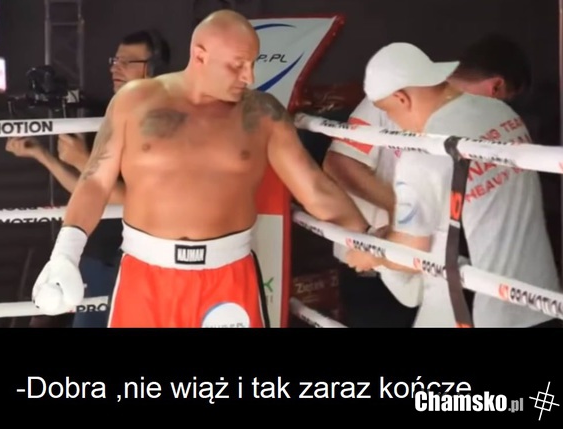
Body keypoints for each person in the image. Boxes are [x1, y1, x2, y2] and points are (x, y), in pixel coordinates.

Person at [30, 10, 370, 328]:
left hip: (228, 278)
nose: (250, 76)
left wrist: (364, 238)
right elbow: (95, 182)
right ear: (200, 54)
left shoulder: (262, 113)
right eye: (238, 65)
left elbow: (313, 187)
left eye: (252, 64)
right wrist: (65, 254)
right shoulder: (134, 102)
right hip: (144, 275)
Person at [322, 33, 534, 328]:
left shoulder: (468, 126)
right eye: (504, 100)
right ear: (496, 86)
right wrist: (400, 215)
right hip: (381, 259)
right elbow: (339, 163)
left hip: (435, 269)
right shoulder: (389, 98)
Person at [6, 29, 171, 327]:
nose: (116, 68)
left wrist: (83, 161)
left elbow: (135, 200)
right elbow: (90, 189)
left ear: (153, 68)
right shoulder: (110, 116)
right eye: (115, 60)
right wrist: (44, 156)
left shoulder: (166, 124)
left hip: (138, 255)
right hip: (98, 253)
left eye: (128, 61)